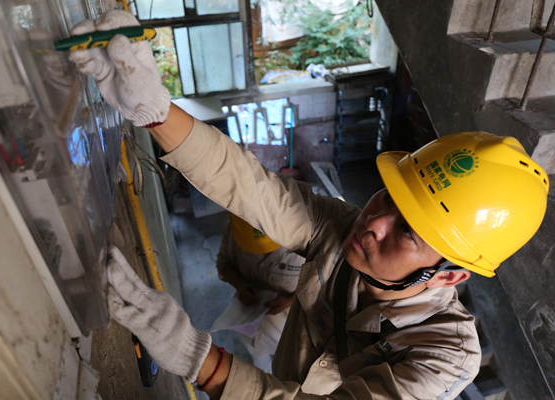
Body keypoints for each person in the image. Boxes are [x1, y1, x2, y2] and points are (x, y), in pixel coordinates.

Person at [71, 10, 550, 400]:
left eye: (407, 232)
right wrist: (154, 112)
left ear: (448, 275)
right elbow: (249, 185)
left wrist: (200, 360)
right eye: (390, 195)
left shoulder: (443, 354)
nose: (373, 221)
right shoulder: (339, 234)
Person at [216, 213, 304, 372]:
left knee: (289, 370)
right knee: (262, 370)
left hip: (291, 330)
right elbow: (224, 262)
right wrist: (241, 285)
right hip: (251, 330)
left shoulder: (307, 241)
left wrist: (290, 301)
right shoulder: (235, 229)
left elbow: (325, 286)